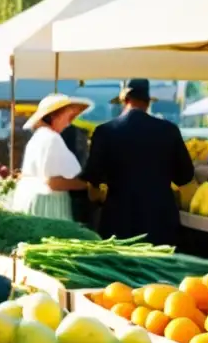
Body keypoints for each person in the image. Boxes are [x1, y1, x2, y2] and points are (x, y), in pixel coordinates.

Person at [82, 79, 194, 245]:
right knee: (158, 269)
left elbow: (93, 178)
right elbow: (185, 176)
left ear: (124, 100)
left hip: (119, 221)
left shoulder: (104, 132)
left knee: (120, 269)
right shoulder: (169, 131)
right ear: (148, 103)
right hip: (159, 220)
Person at [12, 94, 92, 221]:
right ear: (54, 116)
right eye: (69, 117)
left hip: (31, 201)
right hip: (47, 207)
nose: (69, 123)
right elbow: (54, 182)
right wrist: (89, 186)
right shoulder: (51, 138)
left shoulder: (39, 137)